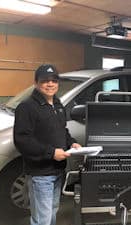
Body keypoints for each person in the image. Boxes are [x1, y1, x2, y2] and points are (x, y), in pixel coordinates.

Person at [14, 64, 81, 225]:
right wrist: (51, 153)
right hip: (40, 173)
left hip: (58, 170)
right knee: (42, 218)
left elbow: (62, 131)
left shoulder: (58, 105)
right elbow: (22, 140)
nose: (50, 84)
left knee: (52, 211)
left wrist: (72, 143)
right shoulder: (27, 107)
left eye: (54, 80)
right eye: (45, 81)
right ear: (36, 83)